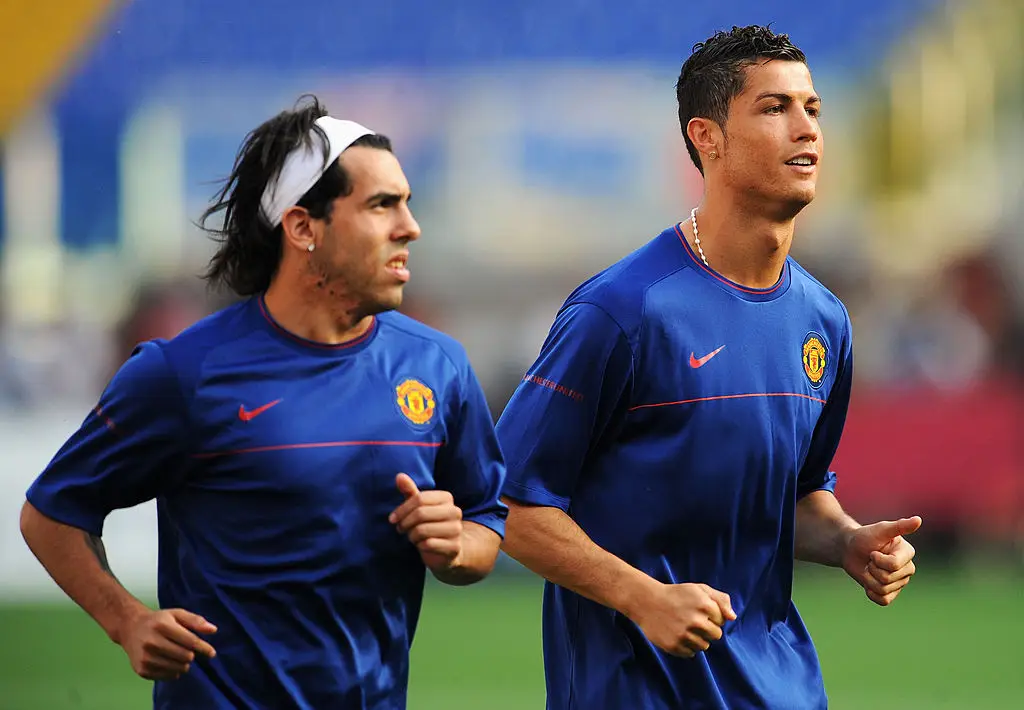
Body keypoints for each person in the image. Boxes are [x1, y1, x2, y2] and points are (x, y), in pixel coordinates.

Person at [20, 96, 507, 709]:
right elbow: (52, 512)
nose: (410, 226)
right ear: (303, 227)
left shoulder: (437, 366)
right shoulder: (182, 374)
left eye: (406, 203)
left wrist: (456, 546)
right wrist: (126, 621)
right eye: (382, 205)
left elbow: (486, 521)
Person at [495, 25, 921, 709]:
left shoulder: (824, 322)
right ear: (707, 136)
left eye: (813, 108)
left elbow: (800, 494)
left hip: (780, 690)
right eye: (774, 108)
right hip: (632, 693)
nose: (806, 128)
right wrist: (643, 599)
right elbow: (511, 504)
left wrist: (846, 540)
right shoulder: (623, 311)